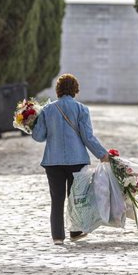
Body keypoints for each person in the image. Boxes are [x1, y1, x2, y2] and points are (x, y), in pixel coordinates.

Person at [32, 74, 110, 245]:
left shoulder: (47, 110)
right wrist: (102, 154)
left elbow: (39, 136)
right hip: (77, 160)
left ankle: (58, 237)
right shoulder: (82, 109)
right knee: (77, 197)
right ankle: (75, 231)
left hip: (53, 161)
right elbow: (87, 137)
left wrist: (31, 121)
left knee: (57, 199)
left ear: (58, 89)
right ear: (75, 89)